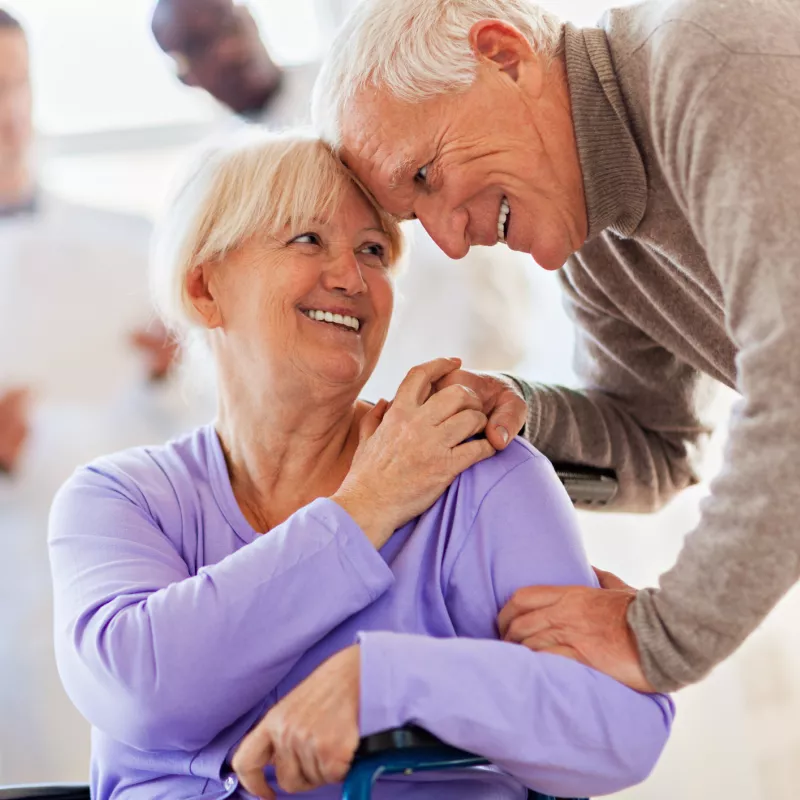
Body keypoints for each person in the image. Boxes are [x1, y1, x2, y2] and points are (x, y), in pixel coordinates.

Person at [49, 130, 673, 800]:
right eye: (307, 240)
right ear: (205, 290)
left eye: (372, 251)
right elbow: (143, 693)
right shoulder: (120, 499)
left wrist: (387, 680)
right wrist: (367, 506)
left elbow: (620, 731)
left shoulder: (479, 477)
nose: (351, 278)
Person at [310, 0, 800, 697]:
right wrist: (517, 413)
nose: (450, 241)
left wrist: (661, 636)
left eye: (426, 176)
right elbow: (659, 448)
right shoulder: (593, 243)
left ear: (504, 56)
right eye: (416, 218)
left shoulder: (712, 54)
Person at [0, 7, 202, 782]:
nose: (8, 114)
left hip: (131, 576)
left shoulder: (129, 243)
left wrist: (169, 374)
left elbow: (203, 428)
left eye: (16, 86)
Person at [149, 0, 532, 399]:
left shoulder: (358, 90)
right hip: (360, 376)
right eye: (201, 43)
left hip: (461, 318)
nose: (228, 49)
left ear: (251, 18)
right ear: (184, 74)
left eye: (228, 27)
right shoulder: (217, 181)